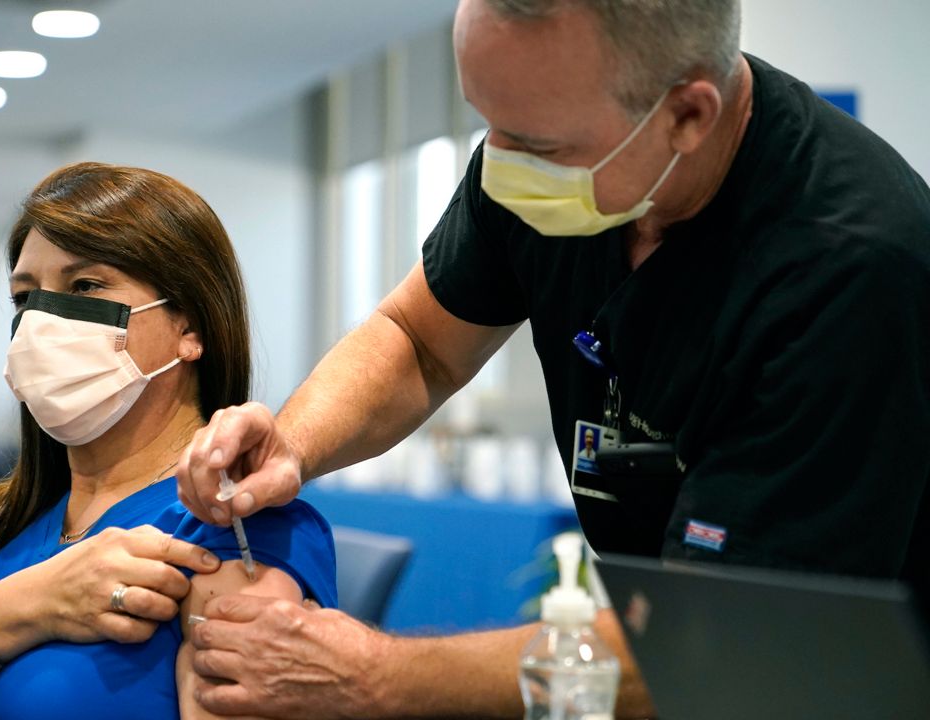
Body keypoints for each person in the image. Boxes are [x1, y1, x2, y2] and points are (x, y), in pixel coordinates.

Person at [176, 1, 930, 718]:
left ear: (687, 115)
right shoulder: (556, 160)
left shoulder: (851, 269)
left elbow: (730, 641)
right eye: (489, 125)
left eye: (537, 146)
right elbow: (418, 342)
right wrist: (294, 443)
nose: (499, 167)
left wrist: (376, 675)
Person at [0, 162, 337, 720]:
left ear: (190, 327)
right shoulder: (10, 528)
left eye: (85, 286)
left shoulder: (230, 526)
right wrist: (37, 600)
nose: (43, 323)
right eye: (24, 298)